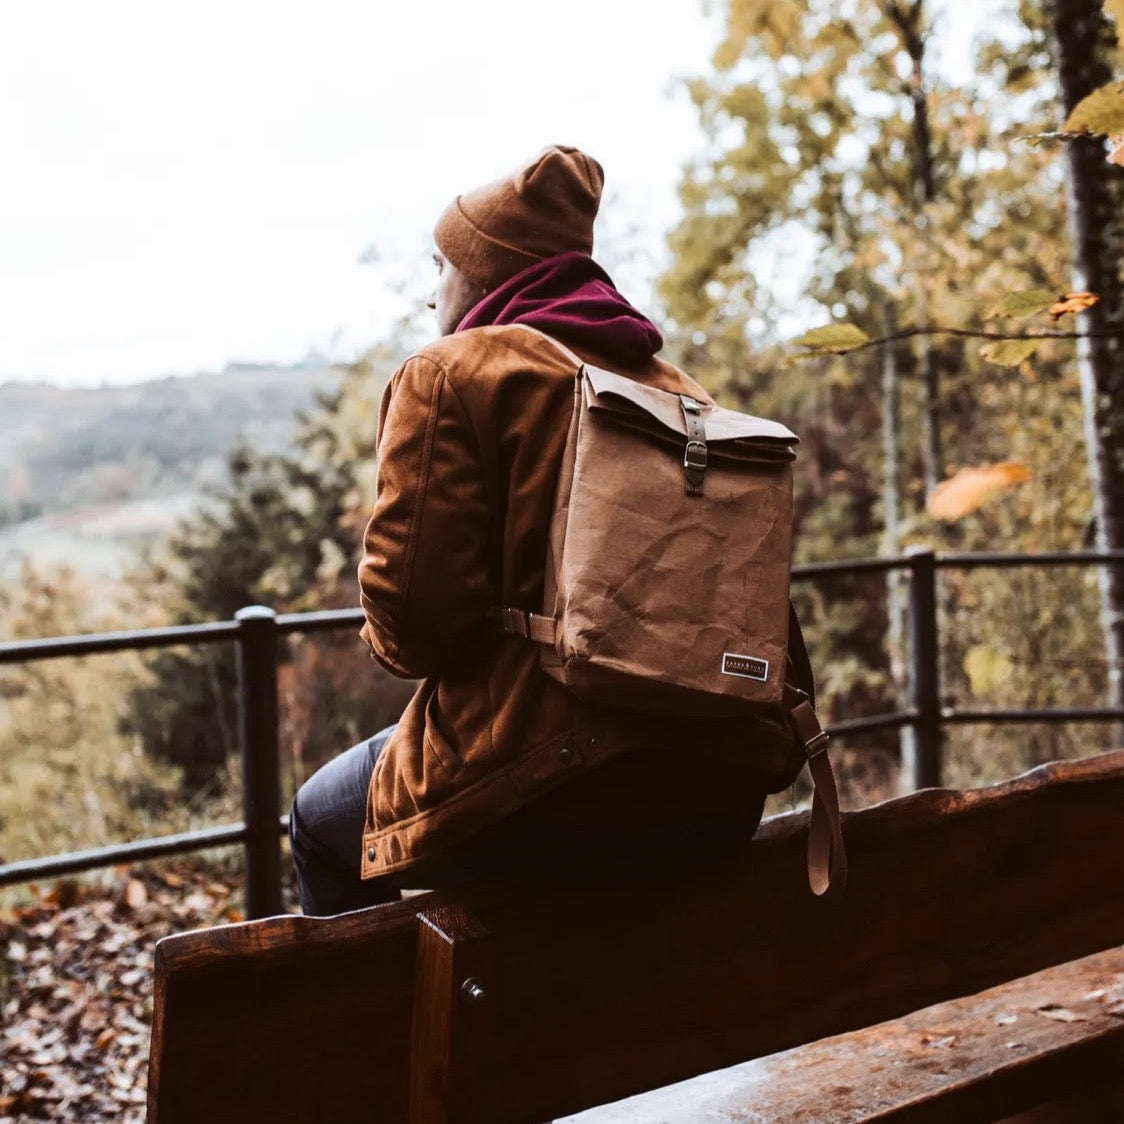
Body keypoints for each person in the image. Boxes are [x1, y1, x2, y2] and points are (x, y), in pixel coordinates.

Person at [289, 145, 782, 916]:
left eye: (441, 268)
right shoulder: (679, 392)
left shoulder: (451, 373)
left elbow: (410, 634)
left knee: (318, 825)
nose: (433, 296)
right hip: (717, 789)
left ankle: (365, 1040)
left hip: (547, 790)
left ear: (486, 274)